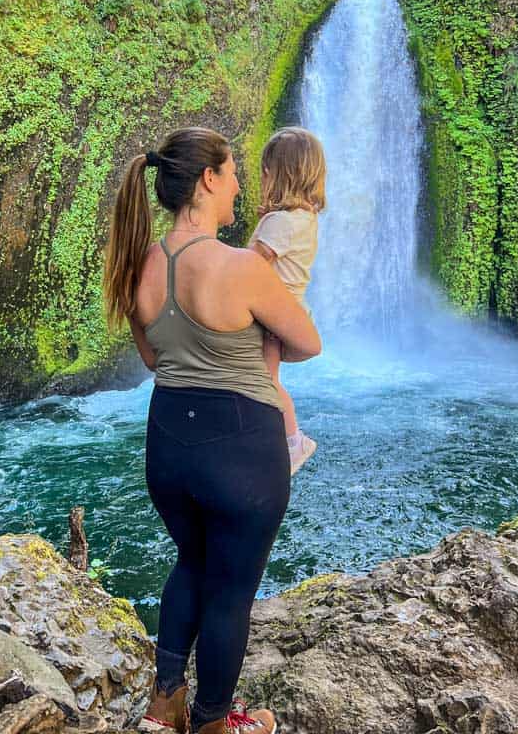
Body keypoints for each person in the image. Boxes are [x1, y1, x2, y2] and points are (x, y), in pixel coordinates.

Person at [102, 127, 321, 734]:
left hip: (169, 444)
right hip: (241, 448)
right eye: (231, 174)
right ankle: (214, 723)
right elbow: (308, 341)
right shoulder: (241, 266)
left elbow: (153, 359)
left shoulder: (137, 264)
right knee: (230, 592)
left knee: (191, 563)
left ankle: (165, 700)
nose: (239, 187)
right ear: (207, 180)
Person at [247, 127, 327, 473]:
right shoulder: (305, 218)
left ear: (277, 175)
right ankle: (281, 437)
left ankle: (294, 440)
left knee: (266, 381)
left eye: (264, 173)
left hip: (271, 316)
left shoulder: (279, 222)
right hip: (287, 312)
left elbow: (246, 266)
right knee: (266, 379)